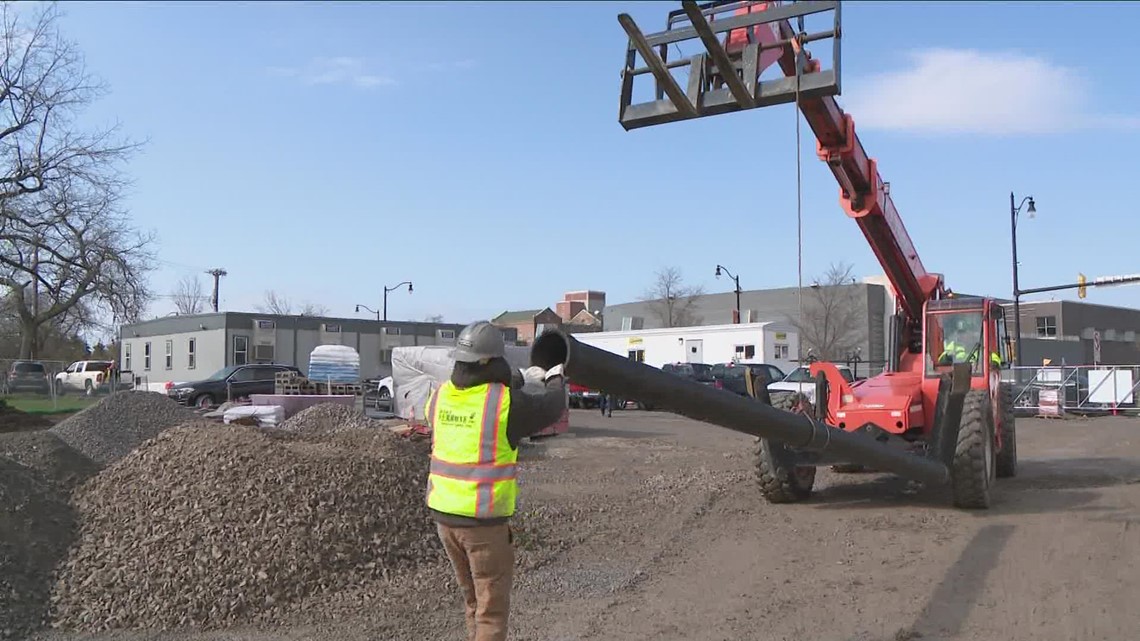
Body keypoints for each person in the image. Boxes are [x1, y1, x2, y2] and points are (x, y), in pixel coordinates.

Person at [423, 320, 567, 641]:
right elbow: (552, 408)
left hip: (444, 519)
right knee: (492, 611)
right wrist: (554, 378)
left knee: (474, 601)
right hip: (482, 524)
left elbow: (476, 392)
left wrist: (515, 380)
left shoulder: (440, 397)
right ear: (493, 360)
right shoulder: (504, 403)